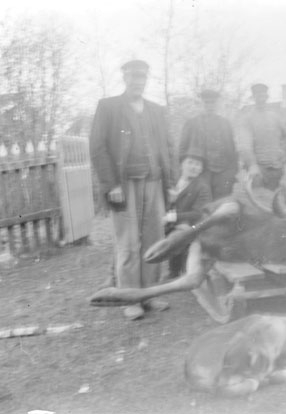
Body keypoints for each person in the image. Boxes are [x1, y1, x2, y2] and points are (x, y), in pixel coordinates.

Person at [89, 59, 173, 320]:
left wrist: (170, 184)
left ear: (146, 80)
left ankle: (149, 294)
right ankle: (130, 299)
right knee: (128, 243)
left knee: (154, 241)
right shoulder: (108, 107)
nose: (137, 81)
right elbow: (97, 147)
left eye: (142, 77)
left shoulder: (156, 110)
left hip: (154, 182)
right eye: (133, 77)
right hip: (123, 186)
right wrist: (111, 184)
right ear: (125, 78)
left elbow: (168, 148)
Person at [178, 89, 238, 199]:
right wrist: (185, 171)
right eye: (207, 103)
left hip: (222, 172)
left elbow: (232, 151)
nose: (210, 106)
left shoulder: (225, 123)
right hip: (200, 172)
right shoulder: (191, 123)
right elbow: (182, 149)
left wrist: (231, 172)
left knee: (221, 202)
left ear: (217, 104)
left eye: (213, 103)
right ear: (202, 104)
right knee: (201, 202)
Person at [164, 148, 211, 277]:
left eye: (198, 164)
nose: (194, 167)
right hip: (168, 223)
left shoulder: (202, 187)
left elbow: (198, 213)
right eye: (190, 162)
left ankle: (177, 272)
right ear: (182, 164)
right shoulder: (172, 182)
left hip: (191, 225)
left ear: (201, 169)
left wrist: (172, 217)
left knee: (181, 236)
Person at [238, 83, 286, 190]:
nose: (261, 99)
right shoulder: (247, 119)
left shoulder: (275, 117)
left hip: (276, 168)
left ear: (267, 97)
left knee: (276, 198)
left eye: (263, 96)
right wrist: (252, 165)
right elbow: (245, 146)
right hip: (258, 170)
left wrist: (282, 151)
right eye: (258, 96)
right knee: (260, 197)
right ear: (253, 98)